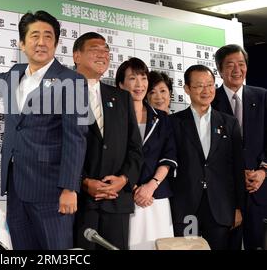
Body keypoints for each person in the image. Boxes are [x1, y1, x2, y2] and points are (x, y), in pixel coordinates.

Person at [0, 10, 88, 250]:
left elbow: (75, 138)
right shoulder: (14, 74)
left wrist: (70, 188)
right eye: (34, 35)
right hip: (17, 188)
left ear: (56, 44)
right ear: (22, 43)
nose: (41, 42)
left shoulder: (71, 80)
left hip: (52, 191)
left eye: (48, 36)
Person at [73, 33, 143, 250]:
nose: (103, 54)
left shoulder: (121, 98)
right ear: (77, 56)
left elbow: (135, 149)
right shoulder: (61, 95)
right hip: (80, 203)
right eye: (95, 49)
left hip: (117, 201)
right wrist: (84, 182)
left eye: (106, 50)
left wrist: (124, 179)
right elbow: (55, 149)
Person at [170, 64, 245, 250]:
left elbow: (237, 168)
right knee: (187, 248)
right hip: (187, 206)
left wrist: (238, 207)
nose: (206, 90)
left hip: (219, 207)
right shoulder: (174, 122)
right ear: (187, 89)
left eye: (210, 85)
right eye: (199, 86)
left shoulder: (229, 123)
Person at [116, 58, 177, 250]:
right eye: (132, 79)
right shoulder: (113, 118)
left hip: (156, 196)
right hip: (125, 195)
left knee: (160, 244)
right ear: (120, 84)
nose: (139, 84)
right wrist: (134, 188)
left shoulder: (162, 119)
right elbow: (113, 158)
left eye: (143, 78)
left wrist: (151, 186)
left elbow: (169, 157)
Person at [211, 44, 267, 250]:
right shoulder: (210, 101)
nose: (237, 70)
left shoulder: (263, 97)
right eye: (230, 65)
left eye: (241, 64)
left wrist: (263, 170)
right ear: (220, 69)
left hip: (258, 190)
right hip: (225, 194)